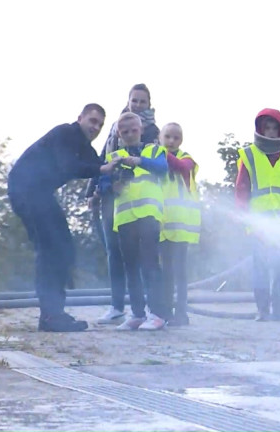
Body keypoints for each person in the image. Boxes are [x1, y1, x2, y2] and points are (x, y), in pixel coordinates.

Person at [8, 104, 122, 332]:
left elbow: (98, 165)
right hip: (25, 189)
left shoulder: (83, 145)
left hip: (40, 193)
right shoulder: (65, 133)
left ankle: (54, 312)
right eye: (92, 120)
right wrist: (103, 170)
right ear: (80, 118)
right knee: (50, 249)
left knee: (64, 247)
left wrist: (113, 174)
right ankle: (51, 316)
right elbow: (69, 166)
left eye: (99, 124)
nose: (95, 127)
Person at [89, 84, 160, 325]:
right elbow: (101, 160)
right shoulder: (115, 127)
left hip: (140, 202)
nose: (138, 105)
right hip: (114, 197)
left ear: (149, 104)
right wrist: (94, 191)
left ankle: (148, 310)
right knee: (114, 251)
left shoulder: (153, 133)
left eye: (143, 101)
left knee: (143, 258)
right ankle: (117, 305)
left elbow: (158, 164)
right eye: (135, 100)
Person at [99, 112, 169, 330]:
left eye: (133, 130)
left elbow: (163, 168)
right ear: (119, 134)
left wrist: (139, 161)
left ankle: (157, 314)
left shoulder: (155, 150)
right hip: (125, 218)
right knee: (130, 266)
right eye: (124, 132)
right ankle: (137, 313)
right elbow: (101, 183)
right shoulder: (113, 157)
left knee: (150, 264)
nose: (129, 135)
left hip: (148, 215)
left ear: (141, 130)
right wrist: (112, 187)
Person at [236, 108, 280, 322]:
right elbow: (241, 189)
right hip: (259, 224)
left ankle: (279, 310)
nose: (272, 132)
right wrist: (244, 217)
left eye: (275, 128)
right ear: (260, 129)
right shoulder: (249, 155)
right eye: (267, 127)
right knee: (261, 269)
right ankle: (263, 311)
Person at [159, 123, 201, 326]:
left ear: (181, 140)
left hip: (182, 227)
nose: (171, 141)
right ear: (161, 137)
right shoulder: (156, 160)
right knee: (165, 272)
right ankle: (165, 311)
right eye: (167, 137)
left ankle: (181, 313)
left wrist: (159, 152)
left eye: (175, 138)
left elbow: (181, 167)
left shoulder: (188, 159)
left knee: (180, 273)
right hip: (163, 226)